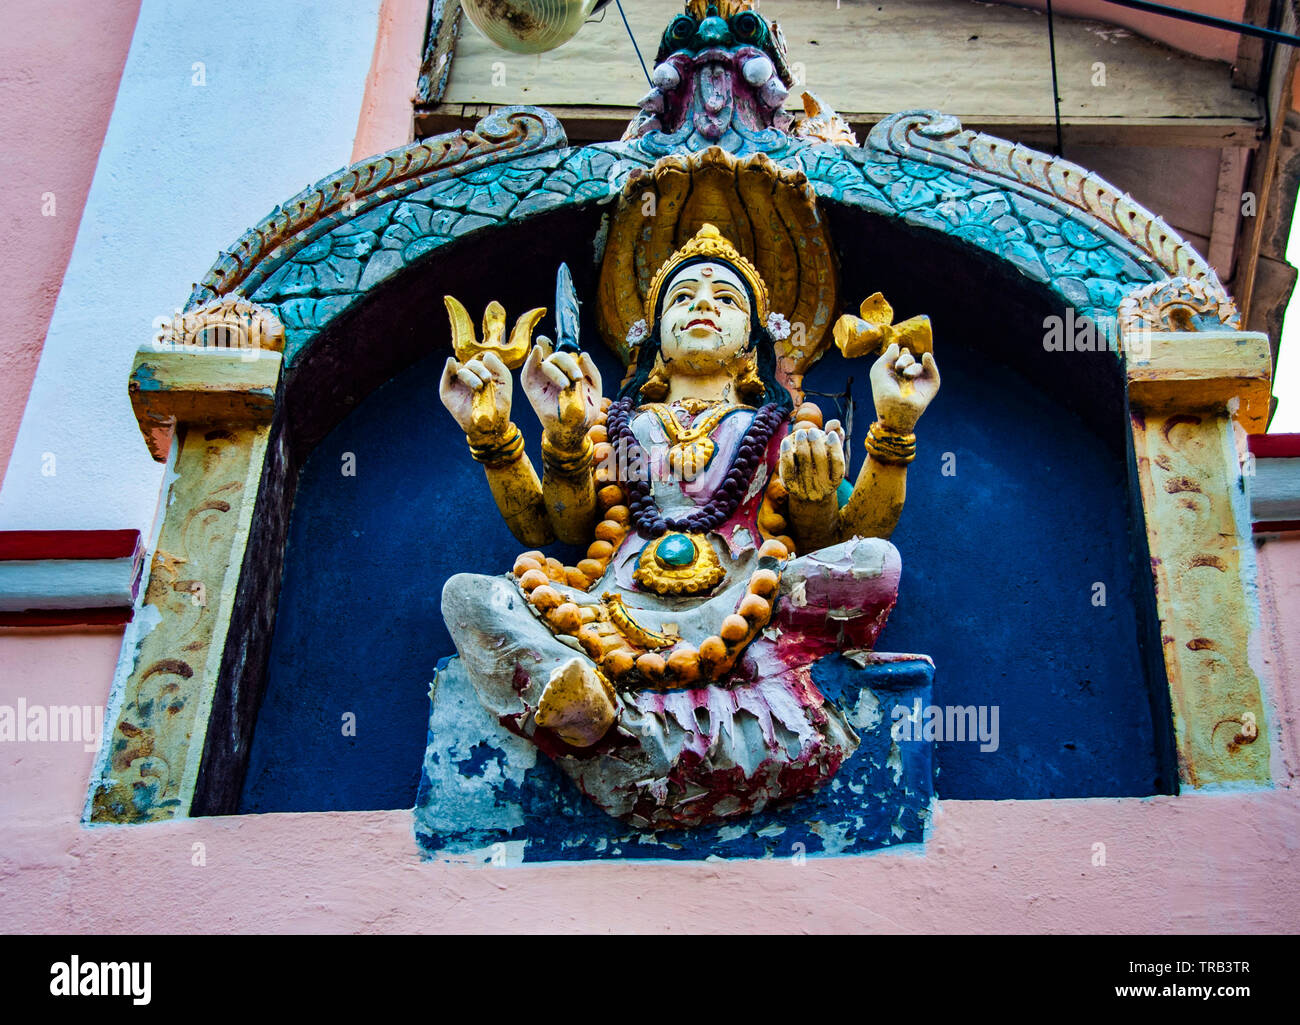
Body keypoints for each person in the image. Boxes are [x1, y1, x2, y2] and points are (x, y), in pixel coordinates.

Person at [438, 224, 939, 829]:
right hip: (614, 604)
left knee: (874, 564)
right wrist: (524, 436)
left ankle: (610, 727)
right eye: (682, 297)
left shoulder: (779, 426)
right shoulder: (623, 424)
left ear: (752, 341)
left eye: (725, 298)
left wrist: (892, 429)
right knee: (472, 597)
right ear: (652, 340)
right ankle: (585, 707)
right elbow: (554, 523)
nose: (702, 304)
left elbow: (853, 528)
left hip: (749, 597)